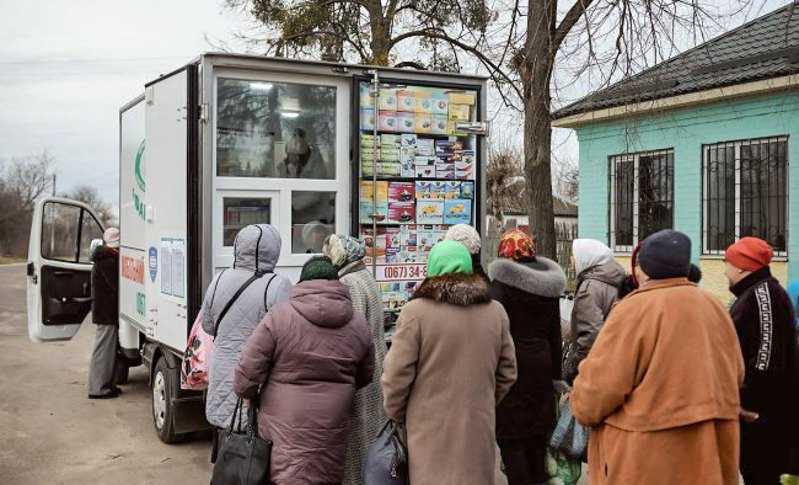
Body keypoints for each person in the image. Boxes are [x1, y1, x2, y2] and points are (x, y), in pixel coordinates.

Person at [571, 229, 744, 484]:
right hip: (706, 452)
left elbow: (598, 391)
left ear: (644, 268)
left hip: (647, 457)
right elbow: (736, 373)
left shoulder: (632, 309)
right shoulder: (713, 306)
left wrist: (579, 403)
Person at [382, 240, 518, 485]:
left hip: (428, 432)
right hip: (477, 428)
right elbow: (508, 372)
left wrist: (402, 414)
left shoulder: (415, 313)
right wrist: (482, 400)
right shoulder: (495, 312)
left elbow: (395, 377)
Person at [234, 256, 375, 483]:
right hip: (333, 424)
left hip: (284, 427)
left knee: (286, 476)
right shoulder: (358, 324)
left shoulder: (280, 317)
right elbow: (366, 374)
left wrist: (250, 395)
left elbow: (247, 373)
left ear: (302, 282)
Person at [201, 224, 292, 460]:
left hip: (222, 370)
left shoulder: (219, 278)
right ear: (274, 250)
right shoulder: (278, 285)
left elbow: (208, 326)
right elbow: (286, 336)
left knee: (226, 443)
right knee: (254, 450)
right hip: (259, 378)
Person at [488, 229, 566, 485]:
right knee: (537, 435)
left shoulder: (501, 286)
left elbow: (495, 330)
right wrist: (556, 376)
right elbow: (555, 334)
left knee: (511, 438)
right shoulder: (548, 286)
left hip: (511, 367)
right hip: (542, 366)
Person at [725, 237, 799, 484]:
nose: (725, 269)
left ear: (743, 267)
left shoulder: (763, 295)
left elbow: (766, 357)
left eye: (728, 262)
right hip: (760, 413)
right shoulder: (754, 293)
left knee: (762, 474)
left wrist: (749, 406)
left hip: (763, 415)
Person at [322, 234, 388, 485]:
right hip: (376, 366)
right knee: (371, 437)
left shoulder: (349, 283)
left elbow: (352, 335)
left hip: (362, 377)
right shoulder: (365, 276)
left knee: (357, 440)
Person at [562, 239, 626, 384]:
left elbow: (590, 338)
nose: (572, 260)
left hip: (593, 374)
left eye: (574, 255)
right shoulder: (614, 282)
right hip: (615, 365)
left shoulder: (589, 288)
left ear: (587, 258)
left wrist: (572, 372)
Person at [88, 228, 121, 399]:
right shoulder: (108, 260)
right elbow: (117, 286)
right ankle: (97, 389)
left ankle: (107, 385)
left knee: (107, 351)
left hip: (105, 312)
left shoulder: (103, 258)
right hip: (106, 313)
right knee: (103, 351)